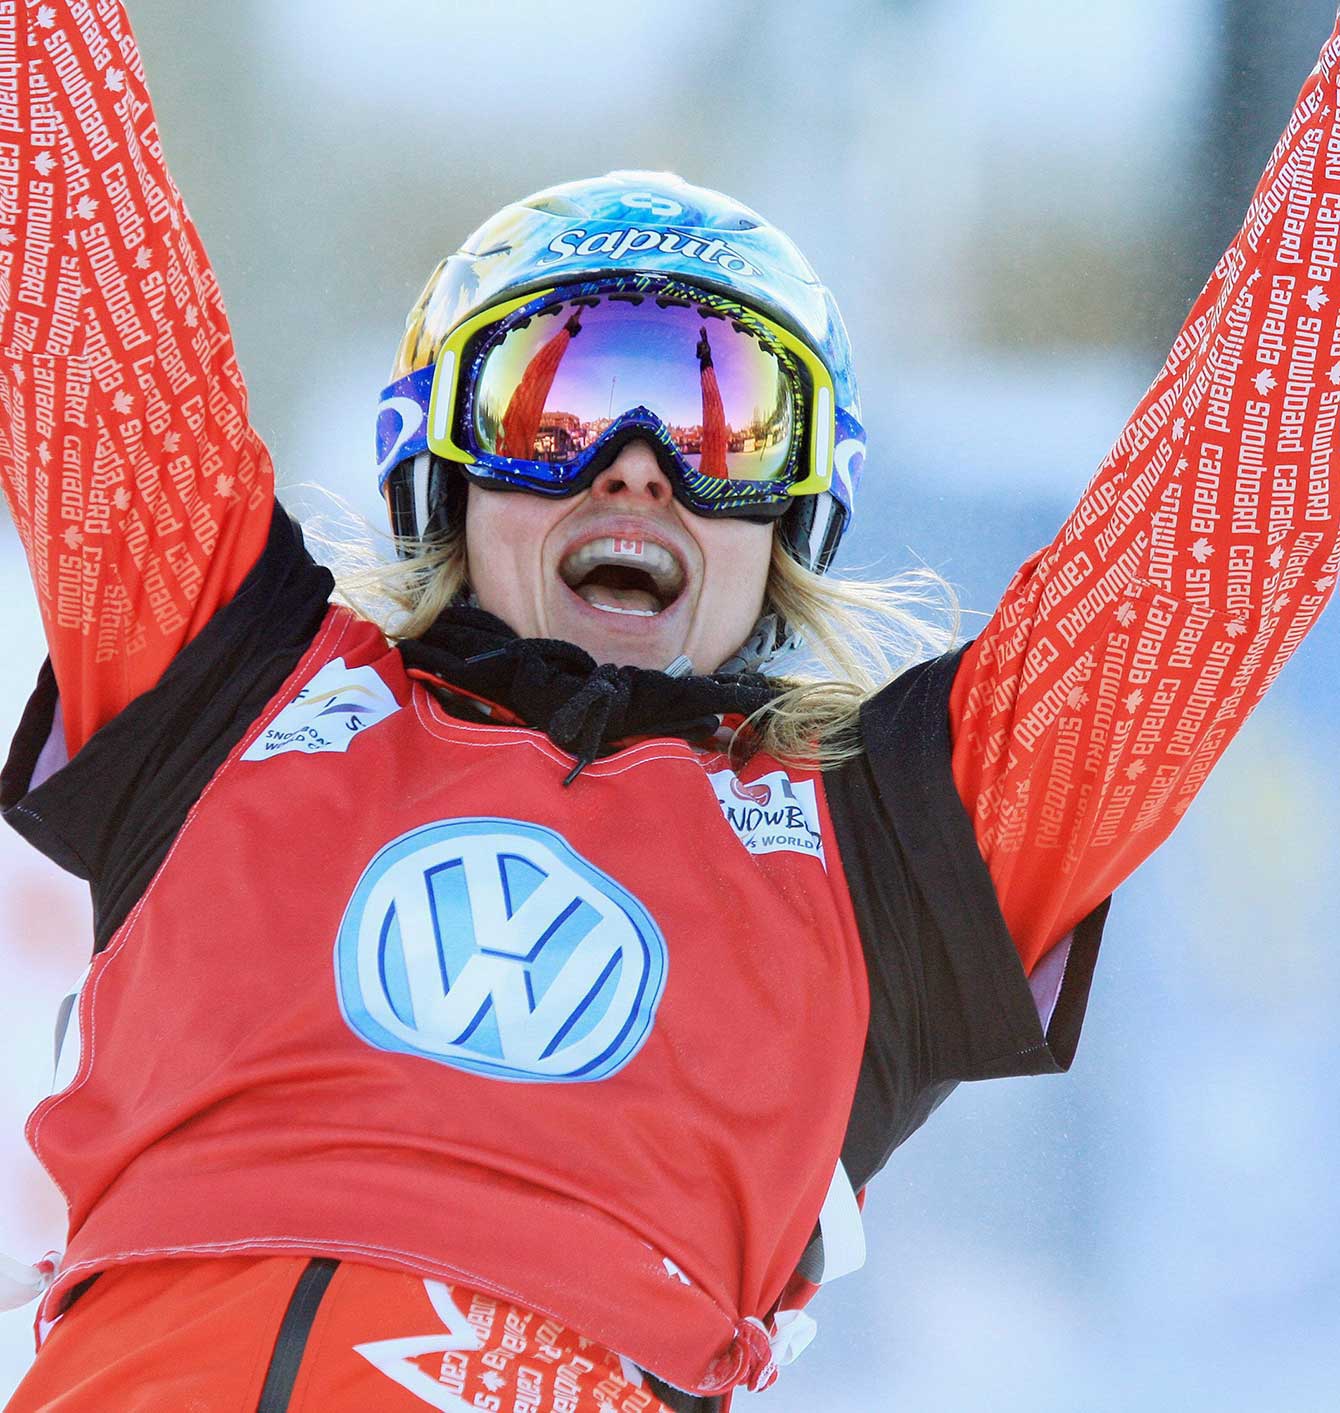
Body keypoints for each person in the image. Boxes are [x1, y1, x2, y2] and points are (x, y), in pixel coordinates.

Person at [1, 2, 1338, 1410]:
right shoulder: (228, 696)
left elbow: (1232, 500)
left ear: (794, 512)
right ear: (443, 461)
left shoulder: (890, 864)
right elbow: (73, 231)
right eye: (557, 406)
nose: (638, 467)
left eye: (723, 424)